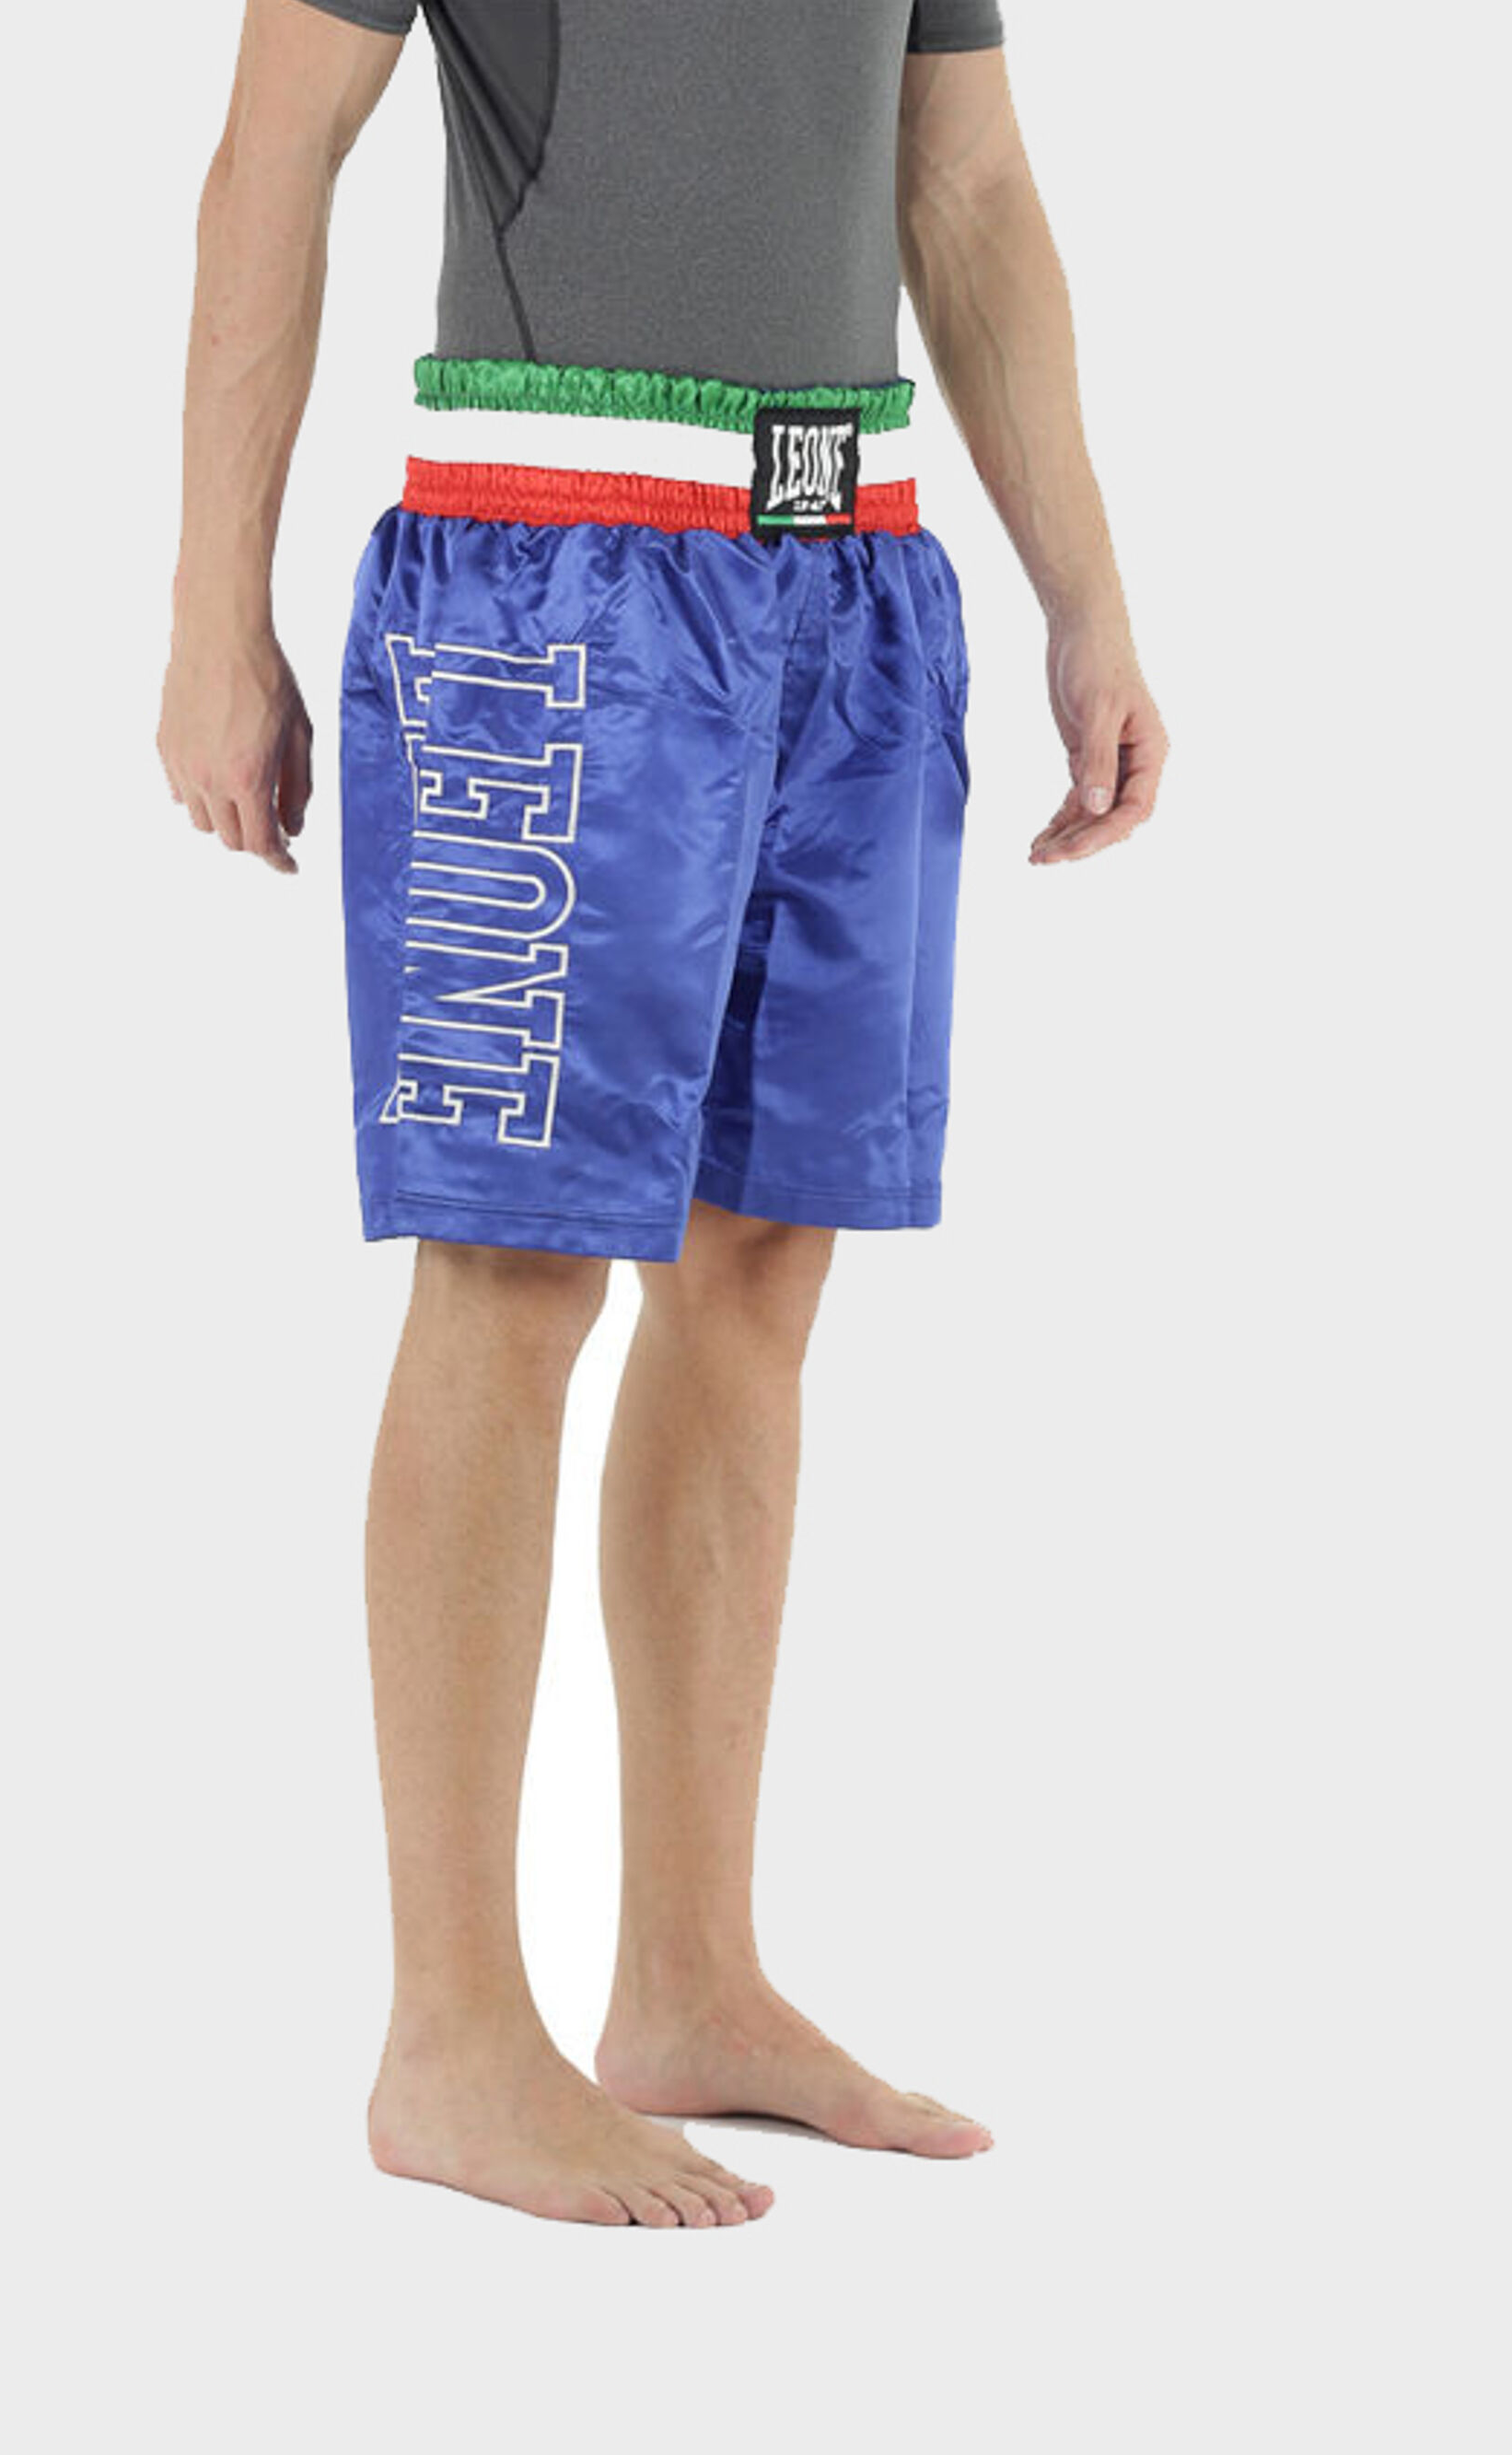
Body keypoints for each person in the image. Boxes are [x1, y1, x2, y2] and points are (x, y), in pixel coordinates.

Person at [157, 0, 1168, 2230]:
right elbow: (272, 151)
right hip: (558, 567)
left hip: (851, 560)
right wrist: (212, 609)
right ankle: (448, 2035)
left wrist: (1086, 597)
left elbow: (970, 183)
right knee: (515, 1268)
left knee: (763, 1260)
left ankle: (689, 1974)